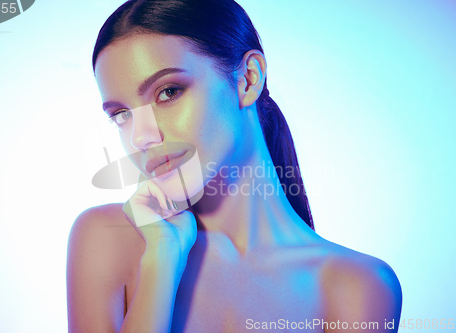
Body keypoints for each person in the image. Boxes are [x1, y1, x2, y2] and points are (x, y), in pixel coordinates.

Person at [66, 0, 402, 332]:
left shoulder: (357, 286)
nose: (141, 137)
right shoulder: (108, 237)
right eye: (121, 115)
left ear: (248, 79)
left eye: (168, 92)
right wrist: (161, 261)